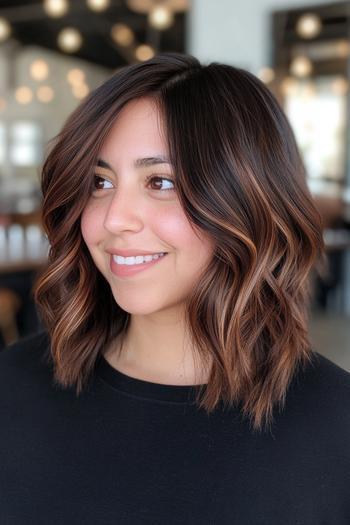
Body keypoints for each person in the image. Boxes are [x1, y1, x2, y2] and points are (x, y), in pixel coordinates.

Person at [0, 52, 349, 525]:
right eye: (100, 182)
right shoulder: (13, 386)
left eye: (160, 181)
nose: (113, 218)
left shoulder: (335, 424)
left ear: (248, 200)